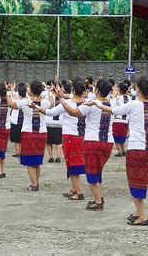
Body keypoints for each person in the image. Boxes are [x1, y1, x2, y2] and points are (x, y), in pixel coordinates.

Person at [88, 77, 148, 226]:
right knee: (141, 178)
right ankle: (137, 212)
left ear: (138, 90)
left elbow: (113, 110)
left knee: (136, 182)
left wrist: (97, 103)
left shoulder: (134, 104)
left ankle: (142, 216)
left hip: (137, 147)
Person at [53, 79, 116, 211]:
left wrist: (61, 99)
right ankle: (99, 196)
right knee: (98, 171)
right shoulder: (112, 103)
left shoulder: (91, 104)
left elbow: (73, 113)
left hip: (93, 141)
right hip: (108, 142)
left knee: (91, 172)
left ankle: (98, 202)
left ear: (97, 90)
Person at [44, 78, 87, 201]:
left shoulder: (67, 104)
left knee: (73, 165)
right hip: (83, 136)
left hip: (70, 137)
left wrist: (39, 109)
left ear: (73, 90)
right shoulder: (88, 102)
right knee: (75, 163)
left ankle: (79, 192)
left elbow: (51, 112)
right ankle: (74, 189)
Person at [9, 80, 49, 190]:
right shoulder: (45, 102)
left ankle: (34, 184)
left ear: (30, 90)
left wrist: (8, 91)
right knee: (37, 160)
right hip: (41, 132)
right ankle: (36, 183)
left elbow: (11, 104)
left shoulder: (25, 102)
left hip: (28, 132)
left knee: (30, 161)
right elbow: (52, 102)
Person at [45, 82, 64, 163]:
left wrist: (49, 93)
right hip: (59, 122)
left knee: (48, 141)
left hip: (49, 121)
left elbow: (49, 105)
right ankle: (58, 157)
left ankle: (51, 157)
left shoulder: (48, 96)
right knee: (58, 141)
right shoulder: (63, 98)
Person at [113, 82, 131, 157]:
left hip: (118, 119)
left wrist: (114, 95)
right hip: (126, 120)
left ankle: (120, 151)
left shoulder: (118, 98)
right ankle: (124, 150)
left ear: (119, 89)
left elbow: (113, 105)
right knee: (122, 136)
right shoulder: (130, 98)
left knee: (116, 136)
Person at [9, 83, 26, 158]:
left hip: (16, 121)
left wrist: (11, 90)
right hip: (23, 121)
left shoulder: (17, 100)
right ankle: (21, 151)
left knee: (16, 138)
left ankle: (18, 152)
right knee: (21, 137)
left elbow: (12, 100)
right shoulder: (27, 100)